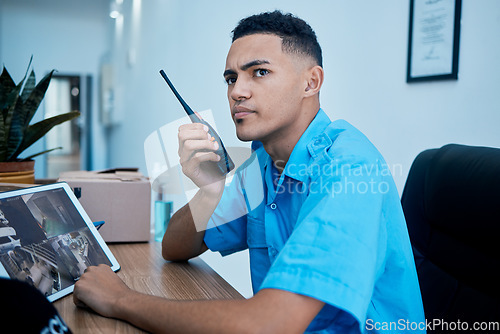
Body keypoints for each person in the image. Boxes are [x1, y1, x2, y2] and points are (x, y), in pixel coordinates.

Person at [73, 10, 426, 333]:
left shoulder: (349, 168)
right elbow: (174, 248)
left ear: (311, 82)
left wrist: (120, 300)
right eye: (231, 78)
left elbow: (267, 325)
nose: (237, 92)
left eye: (260, 72)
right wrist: (210, 191)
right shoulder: (263, 162)